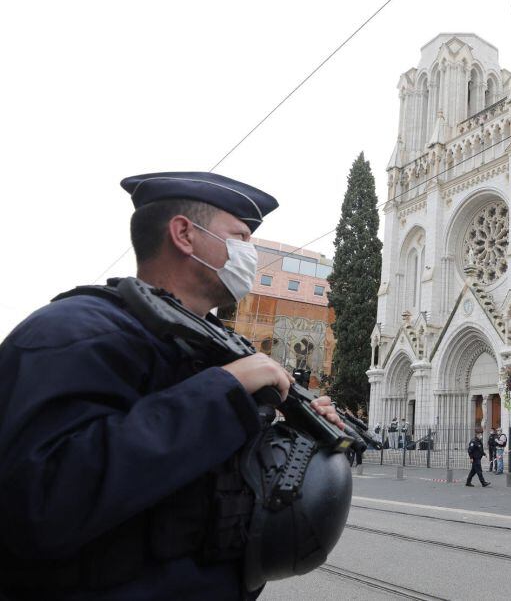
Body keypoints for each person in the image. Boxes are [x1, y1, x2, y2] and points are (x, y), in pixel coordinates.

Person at [0, 171, 347, 600]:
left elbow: (227, 487)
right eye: (240, 237)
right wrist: (223, 391)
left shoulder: (221, 349)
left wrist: (305, 436)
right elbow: (37, 503)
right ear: (184, 234)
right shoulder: (74, 332)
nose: (250, 255)